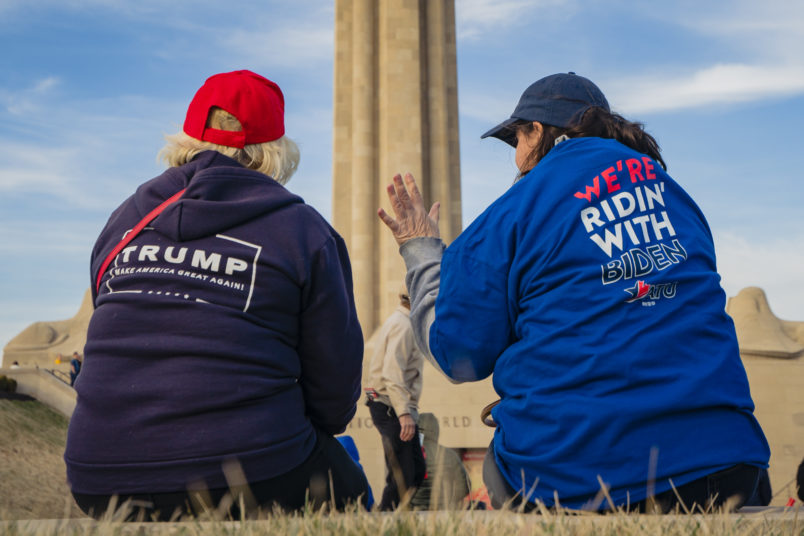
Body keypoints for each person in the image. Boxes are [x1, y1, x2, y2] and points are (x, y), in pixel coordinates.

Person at [377, 72, 770, 512]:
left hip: (578, 474)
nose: (517, 159)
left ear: (539, 132)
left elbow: (457, 353)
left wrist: (421, 252)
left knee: (500, 468)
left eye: (517, 141)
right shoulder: (678, 197)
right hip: (726, 465)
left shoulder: (514, 210)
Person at [64, 70, 368, 520]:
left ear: (186, 138)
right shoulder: (303, 231)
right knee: (353, 490)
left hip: (97, 479)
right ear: (273, 151)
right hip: (251, 471)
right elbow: (334, 390)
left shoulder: (123, 222)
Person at [364, 292, 426, 510]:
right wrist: (404, 414)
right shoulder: (404, 326)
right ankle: (384, 520)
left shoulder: (403, 323)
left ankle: (395, 515)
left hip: (393, 405)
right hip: (390, 406)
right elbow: (392, 373)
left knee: (416, 471)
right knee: (402, 475)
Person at [410, 412, 471, 510]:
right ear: (436, 430)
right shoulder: (450, 454)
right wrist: (449, 501)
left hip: (414, 512)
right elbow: (465, 486)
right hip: (444, 511)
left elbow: (398, 485)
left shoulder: (410, 454)